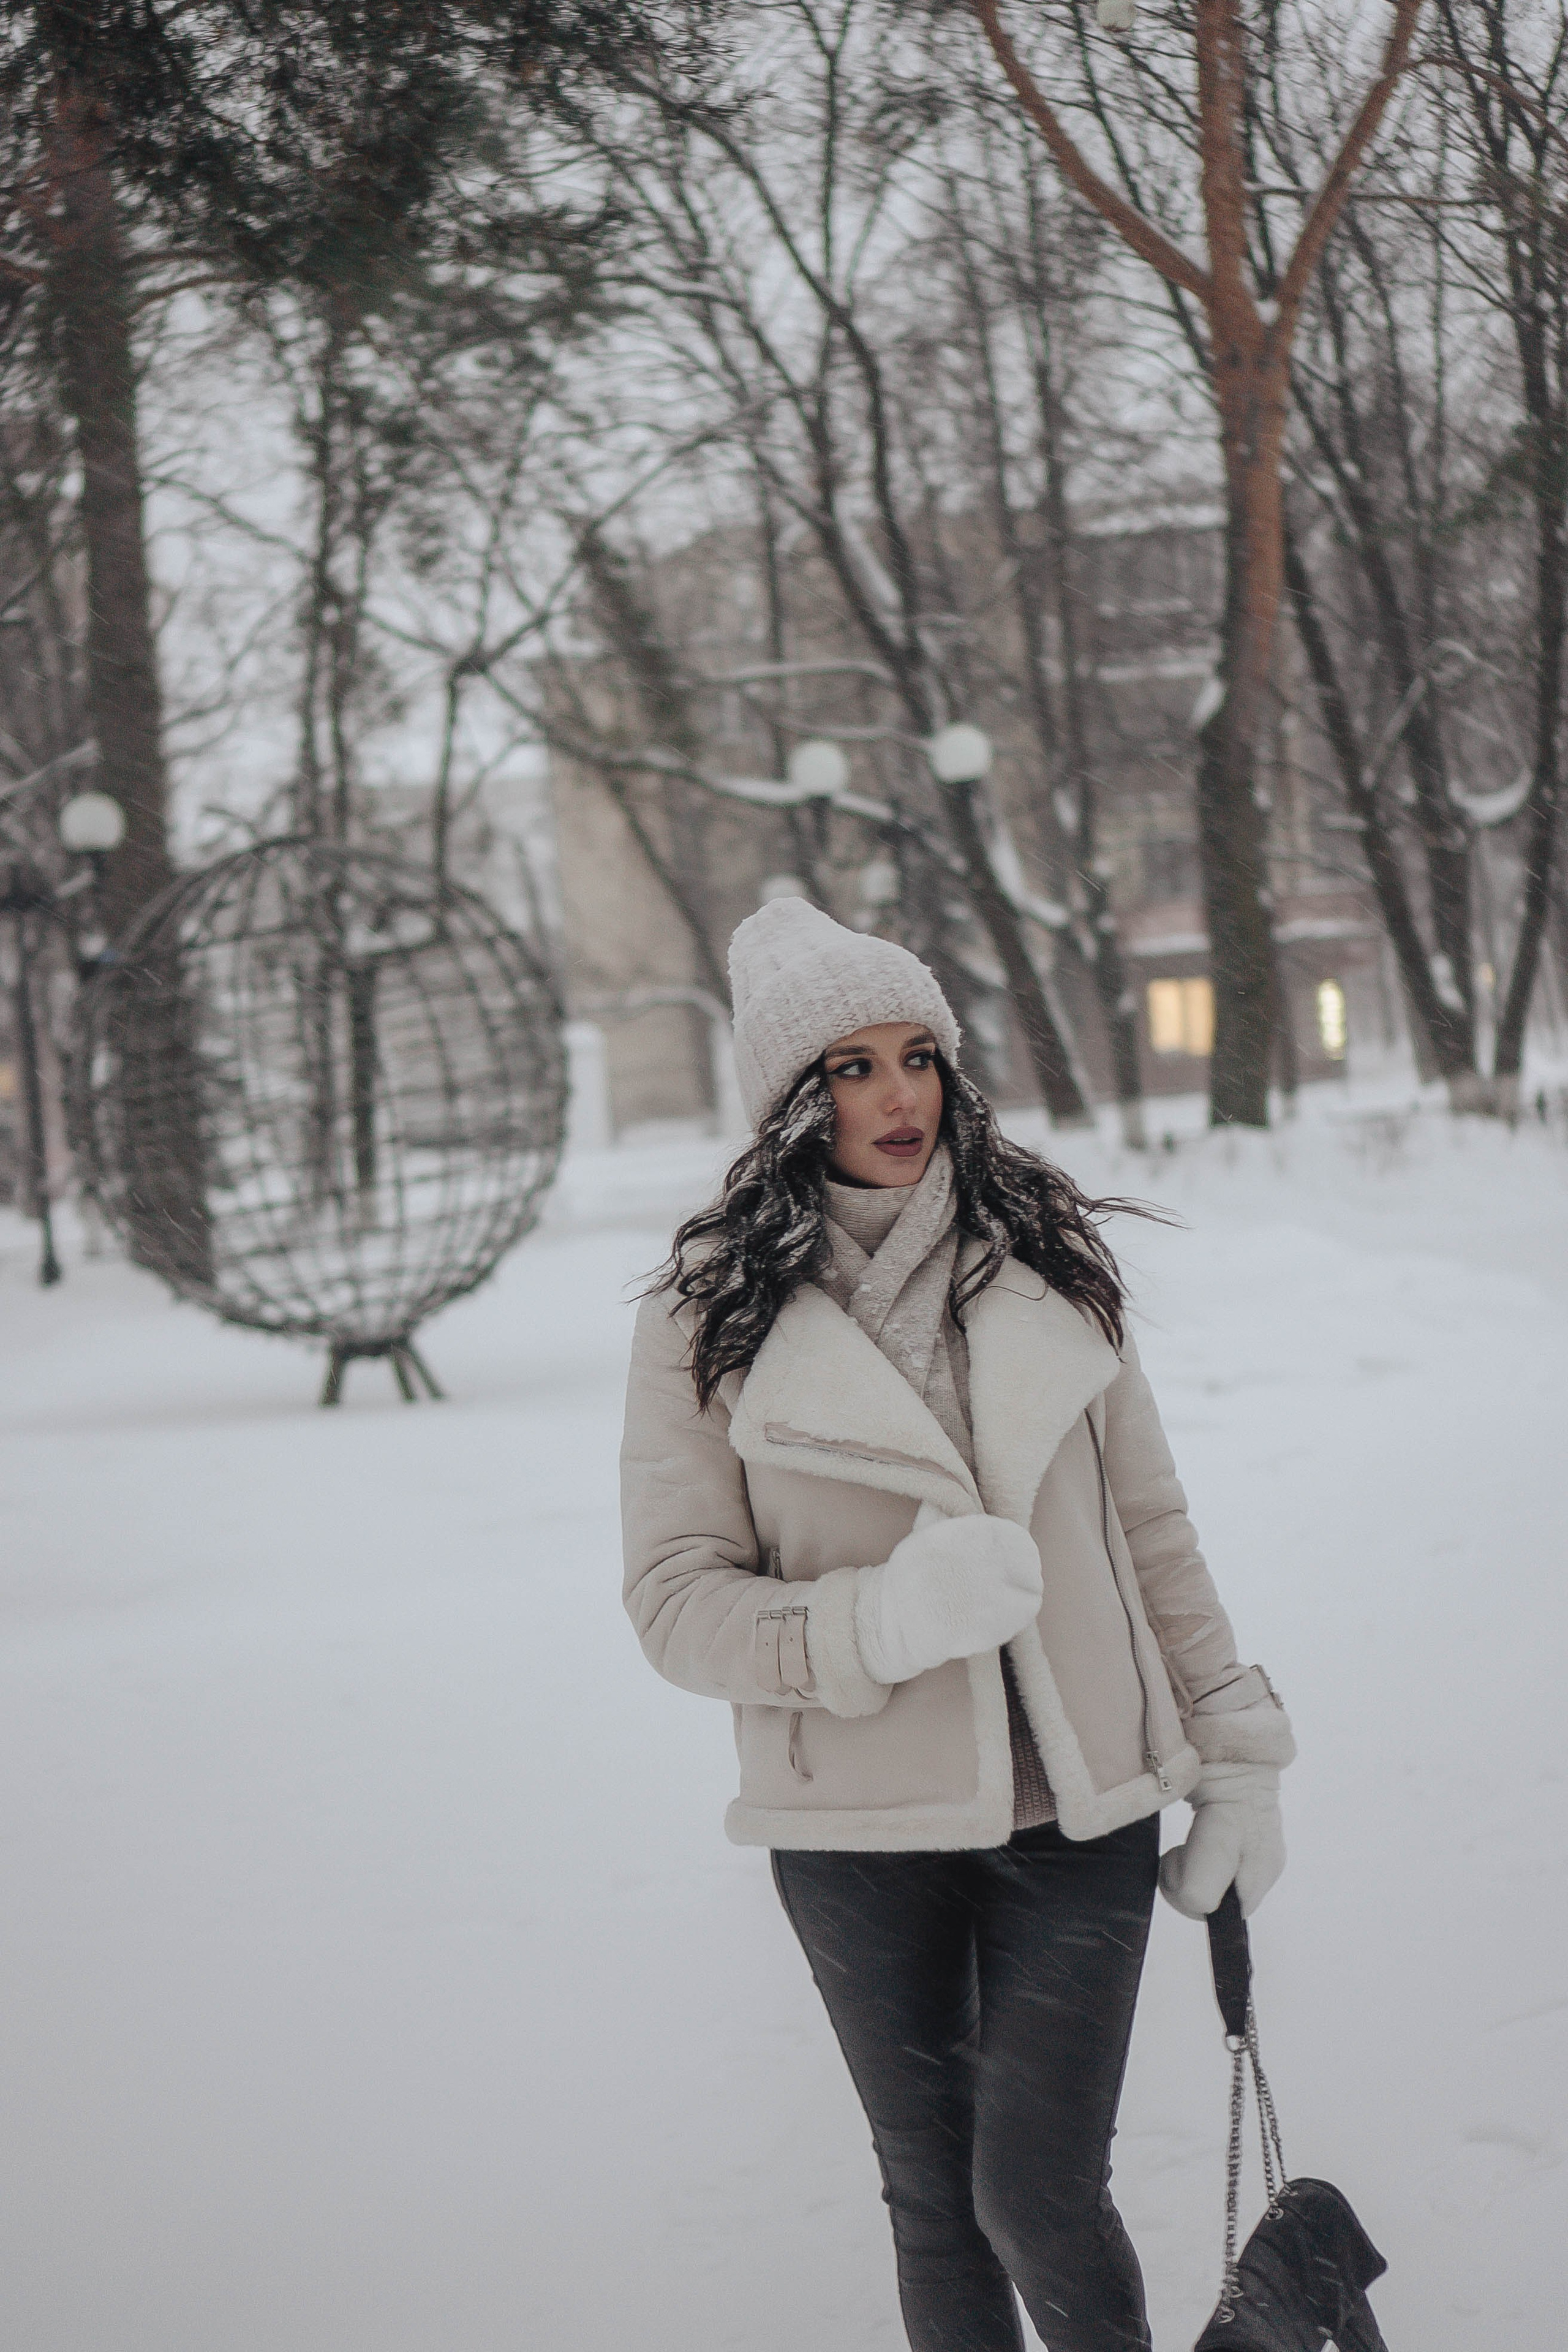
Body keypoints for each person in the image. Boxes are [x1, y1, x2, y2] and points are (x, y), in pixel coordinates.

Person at [620, 897, 1295, 2352]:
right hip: (860, 1834)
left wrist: (1233, 1751)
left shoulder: (1040, 1262)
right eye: (849, 1067)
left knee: (1036, 2190)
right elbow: (674, 1605)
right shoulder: (708, 1311)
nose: (894, 1095)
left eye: (914, 1054)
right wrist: (871, 1625)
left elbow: (1151, 1535)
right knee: (931, 2199)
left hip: (1080, 1812)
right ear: (789, 1100)